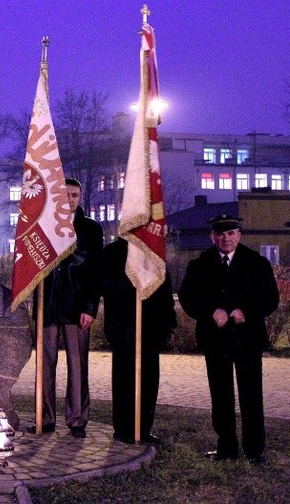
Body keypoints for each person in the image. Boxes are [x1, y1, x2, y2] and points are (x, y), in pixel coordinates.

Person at [179, 214, 278, 465]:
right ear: (212, 236)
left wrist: (247, 311)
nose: (226, 238)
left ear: (239, 234)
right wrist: (211, 311)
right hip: (216, 339)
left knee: (251, 394)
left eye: (231, 233)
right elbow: (188, 297)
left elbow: (270, 298)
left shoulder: (257, 263)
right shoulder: (199, 264)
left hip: (248, 339)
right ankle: (226, 448)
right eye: (220, 234)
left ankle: (255, 451)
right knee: (220, 394)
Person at [33, 178, 103, 437]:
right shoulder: (43, 227)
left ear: (80, 198)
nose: (70, 199)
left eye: (75, 195)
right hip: (48, 306)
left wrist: (90, 307)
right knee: (45, 365)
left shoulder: (91, 230)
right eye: (66, 195)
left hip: (77, 308)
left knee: (77, 365)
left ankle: (77, 419)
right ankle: (45, 417)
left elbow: (97, 273)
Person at [101, 237, 176, 445]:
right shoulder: (113, 252)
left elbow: (164, 285)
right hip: (123, 327)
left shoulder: (152, 249)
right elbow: (103, 284)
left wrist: (169, 321)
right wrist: (131, 282)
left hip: (151, 326)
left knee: (149, 380)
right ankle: (123, 427)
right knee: (124, 379)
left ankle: (143, 428)